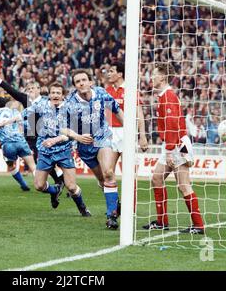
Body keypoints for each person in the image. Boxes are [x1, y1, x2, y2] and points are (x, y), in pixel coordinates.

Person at [0, 82, 91, 216]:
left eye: (58, 93)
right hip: (45, 151)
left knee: (71, 186)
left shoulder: (71, 109)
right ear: (49, 94)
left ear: (63, 95)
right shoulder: (41, 105)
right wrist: (4, 122)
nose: (55, 95)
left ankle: (82, 208)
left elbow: (73, 134)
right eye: (53, 92)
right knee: (39, 186)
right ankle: (55, 191)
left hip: (64, 151)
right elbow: (22, 114)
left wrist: (55, 140)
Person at [142, 63, 205, 234]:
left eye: (154, 74)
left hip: (177, 145)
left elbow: (172, 125)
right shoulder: (164, 95)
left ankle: (199, 225)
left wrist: (169, 150)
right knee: (156, 178)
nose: (151, 78)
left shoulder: (168, 96)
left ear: (162, 77)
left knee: (184, 185)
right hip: (172, 144)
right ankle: (162, 221)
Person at [59, 69, 124, 229]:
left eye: (83, 80)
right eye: (78, 81)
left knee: (108, 172)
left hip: (103, 138)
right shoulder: (70, 103)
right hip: (84, 146)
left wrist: (128, 129)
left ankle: (111, 216)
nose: (81, 83)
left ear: (90, 82)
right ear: (75, 85)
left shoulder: (101, 94)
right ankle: (115, 203)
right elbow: (62, 128)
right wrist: (77, 137)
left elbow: (117, 110)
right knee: (102, 180)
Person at [0, 66, 65, 186]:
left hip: (45, 136)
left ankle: (63, 182)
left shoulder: (46, 101)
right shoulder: (25, 99)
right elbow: (11, 90)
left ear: (39, 89)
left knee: (50, 162)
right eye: (28, 88)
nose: (30, 90)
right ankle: (60, 182)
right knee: (41, 162)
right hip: (30, 136)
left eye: (33, 88)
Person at [105, 60, 148, 214]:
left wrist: (142, 136)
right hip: (111, 134)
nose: (108, 74)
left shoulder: (130, 90)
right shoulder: (107, 90)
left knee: (129, 173)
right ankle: (114, 205)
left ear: (120, 74)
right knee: (108, 172)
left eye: (111, 71)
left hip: (127, 133)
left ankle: (130, 208)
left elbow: (139, 114)